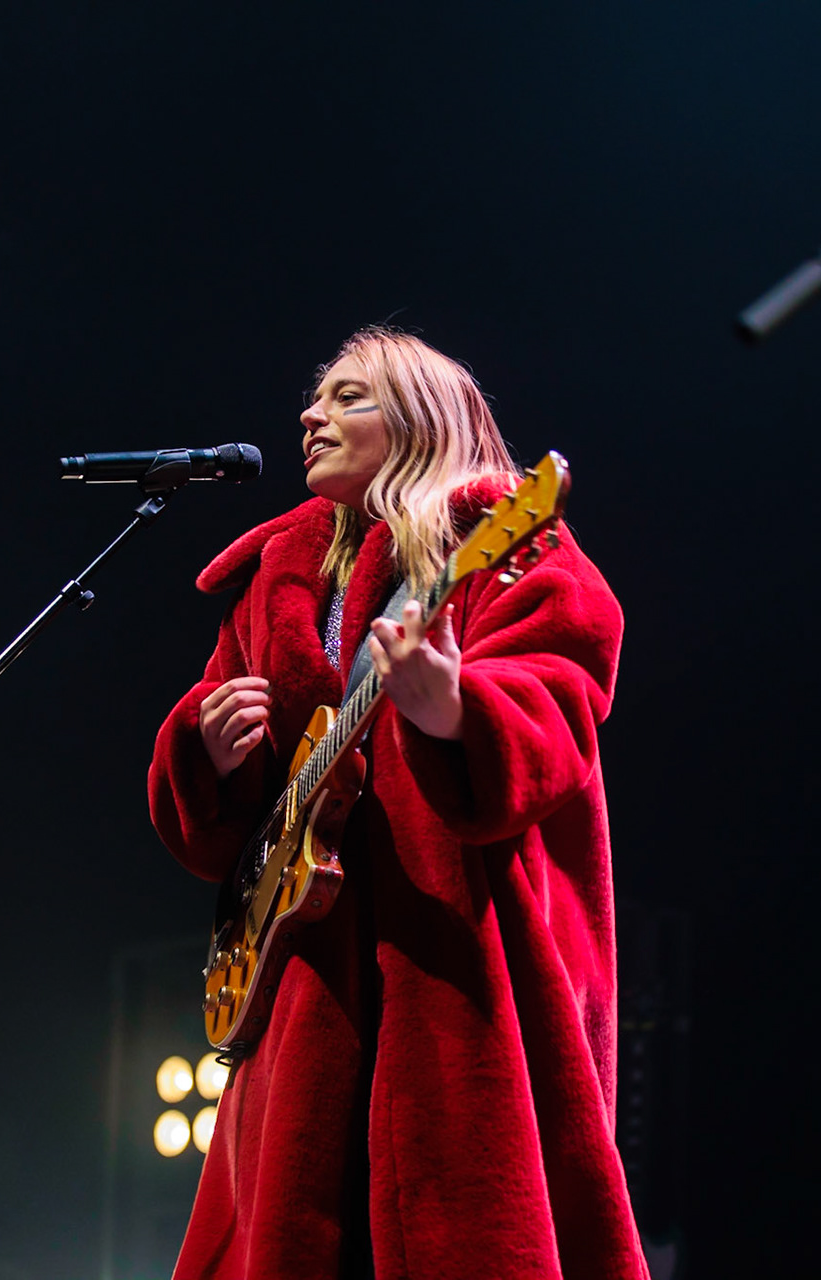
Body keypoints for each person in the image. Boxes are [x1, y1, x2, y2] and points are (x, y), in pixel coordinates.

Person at [147, 327, 647, 1279]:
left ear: (419, 420)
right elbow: (224, 834)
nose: (311, 416)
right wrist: (205, 752)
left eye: (348, 398)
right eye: (314, 399)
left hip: (461, 959)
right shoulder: (272, 585)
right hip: (308, 989)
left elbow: (562, 696)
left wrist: (456, 708)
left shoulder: (509, 542)